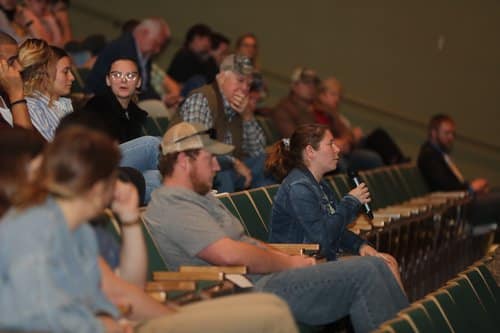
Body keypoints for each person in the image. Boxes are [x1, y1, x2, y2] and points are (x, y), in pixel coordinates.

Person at [0, 125, 300, 333]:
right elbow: (42, 316)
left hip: (123, 323)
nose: (119, 185)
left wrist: (130, 220)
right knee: (269, 314)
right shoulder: (32, 230)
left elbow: (128, 290)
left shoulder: (78, 230)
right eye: (113, 177)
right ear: (98, 183)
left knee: (268, 308)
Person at [144, 121, 409, 332]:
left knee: (376, 265)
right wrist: (289, 264)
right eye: (209, 158)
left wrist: (285, 257)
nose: (216, 166)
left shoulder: (201, 199)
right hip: (240, 291)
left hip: (264, 279)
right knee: (366, 272)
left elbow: (245, 243)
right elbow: (229, 255)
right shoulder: (173, 205)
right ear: (183, 161)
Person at [265, 123, 403, 288]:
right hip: (300, 267)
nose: (337, 149)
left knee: (388, 262)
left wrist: (360, 246)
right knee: (378, 267)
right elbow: (321, 240)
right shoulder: (298, 188)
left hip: (320, 259)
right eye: (330, 144)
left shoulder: (319, 185)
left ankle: (402, 314)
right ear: (310, 152)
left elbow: (334, 229)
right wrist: (350, 202)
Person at [178, 53, 273, 192]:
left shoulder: (238, 108)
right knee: (224, 175)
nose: (245, 88)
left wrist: (247, 115)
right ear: (221, 77)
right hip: (198, 168)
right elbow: (196, 146)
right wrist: (233, 162)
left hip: (232, 169)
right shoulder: (202, 99)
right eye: (240, 80)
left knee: (269, 166)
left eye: (248, 84)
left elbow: (257, 153)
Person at [418, 114, 500, 225]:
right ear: (433, 133)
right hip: (452, 206)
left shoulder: (439, 153)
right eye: (447, 133)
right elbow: (444, 186)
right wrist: (470, 188)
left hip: (460, 200)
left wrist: (471, 187)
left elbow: (451, 183)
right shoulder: (429, 156)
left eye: (452, 134)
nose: (451, 137)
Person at [85, 17, 170, 101]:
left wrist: (161, 99)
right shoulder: (123, 49)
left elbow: (144, 86)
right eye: (156, 43)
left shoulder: (142, 53)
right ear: (144, 33)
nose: (157, 50)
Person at [313, 77, 384, 172]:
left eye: (339, 96)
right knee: (340, 163)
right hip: (329, 152)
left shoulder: (335, 114)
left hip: (344, 151)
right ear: (321, 95)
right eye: (333, 94)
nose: (337, 99)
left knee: (373, 158)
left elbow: (347, 136)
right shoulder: (313, 113)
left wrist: (345, 139)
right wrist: (342, 141)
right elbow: (319, 139)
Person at [18, 39, 74, 140]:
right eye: (65, 72)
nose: (72, 77)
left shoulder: (63, 104)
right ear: (45, 73)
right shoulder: (32, 108)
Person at [83, 57, 148, 143]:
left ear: (139, 82)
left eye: (131, 76)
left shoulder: (137, 114)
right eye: (116, 75)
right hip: (101, 154)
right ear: (108, 80)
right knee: (150, 143)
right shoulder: (96, 106)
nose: (123, 80)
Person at [164, 23, 213, 97]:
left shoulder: (202, 59)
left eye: (208, 41)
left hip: (188, 93)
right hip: (178, 91)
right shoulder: (184, 56)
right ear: (195, 39)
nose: (207, 44)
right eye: (204, 40)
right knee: (198, 80)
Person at [272, 67, 318, 139]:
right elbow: (296, 143)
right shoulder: (283, 110)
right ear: (294, 86)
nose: (311, 86)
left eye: (314, 83)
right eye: (306, 82)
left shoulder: (315, 108)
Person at [0, 31, 32, 129]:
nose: (19, 68)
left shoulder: (5, 94)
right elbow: (26, 142)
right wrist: (16, 96)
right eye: (11, 61)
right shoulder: (13, 93)